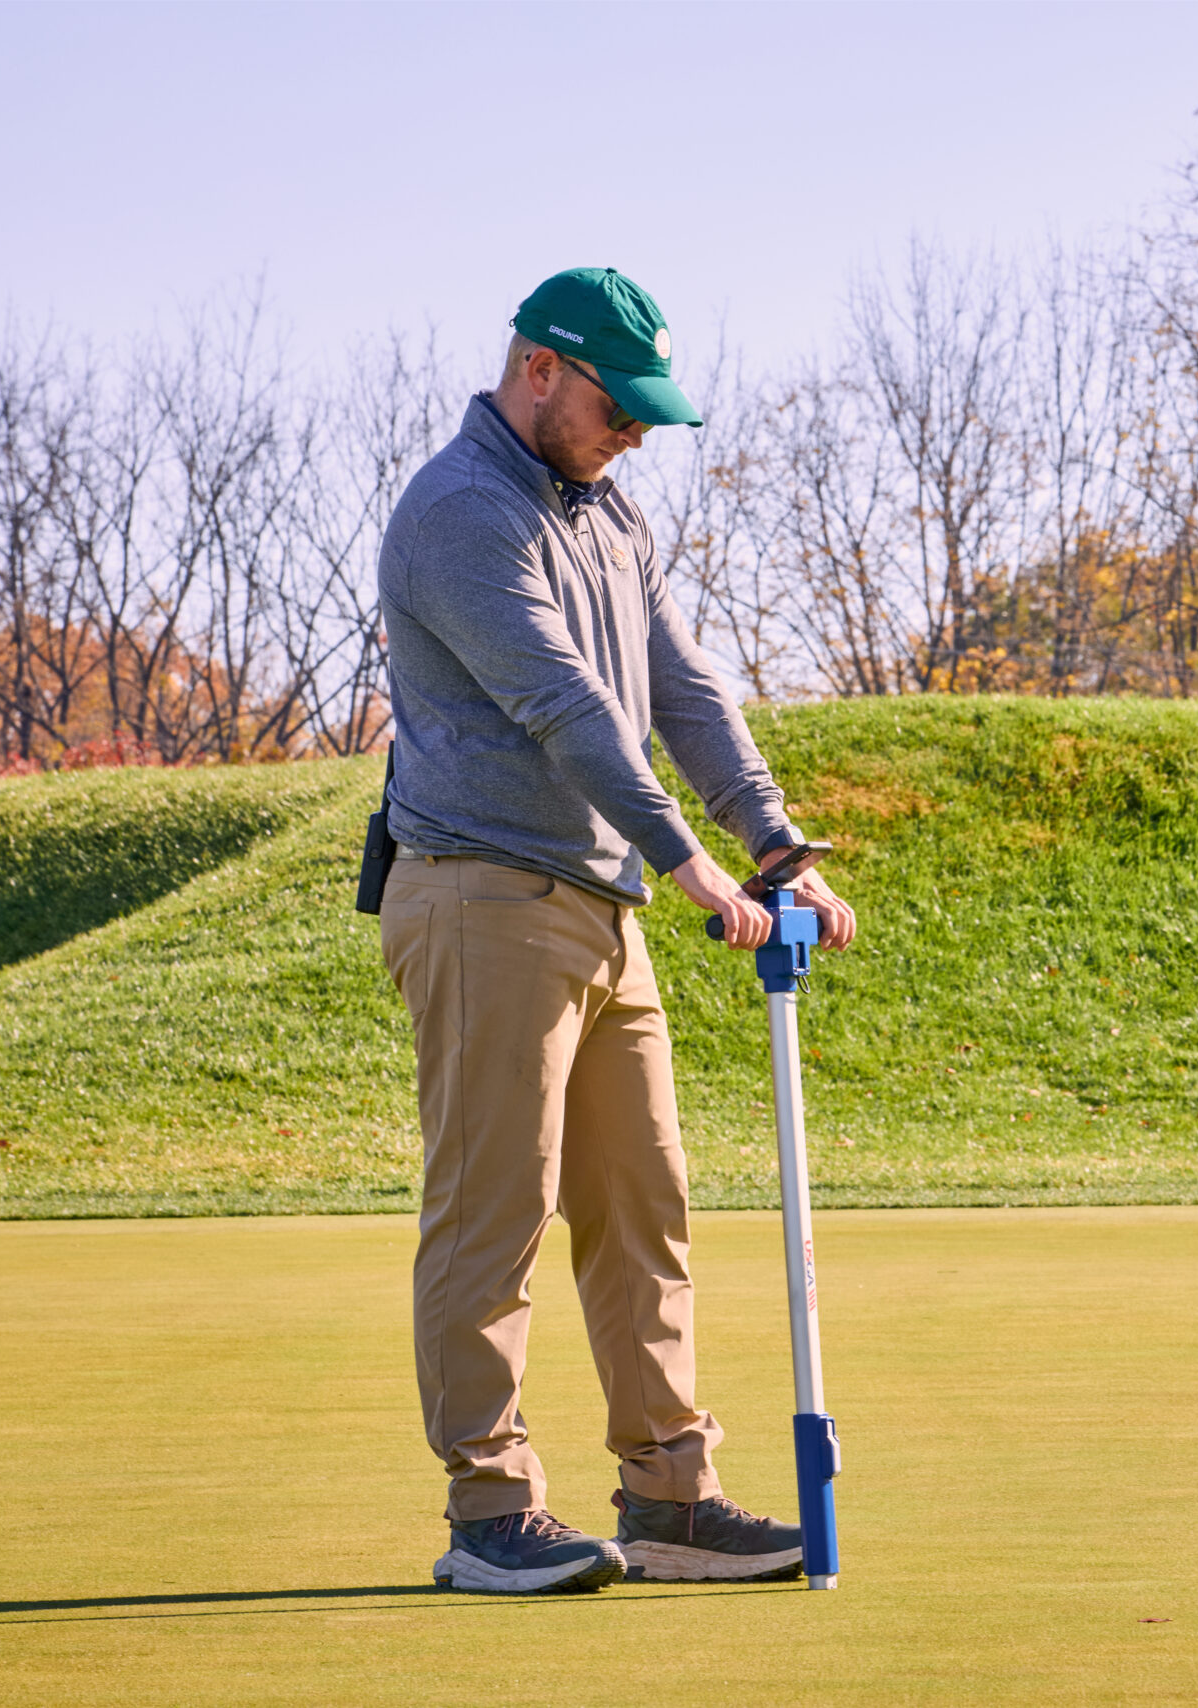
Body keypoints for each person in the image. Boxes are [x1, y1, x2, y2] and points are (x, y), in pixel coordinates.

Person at [374, 266, 858, 1595]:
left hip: (599, 908)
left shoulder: (609, 515)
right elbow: (569, 709)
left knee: (644, 1206)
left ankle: (671, 1498)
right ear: (538, 369)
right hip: (480, 891)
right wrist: (694, 867)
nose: (634, 431)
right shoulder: (460, 514)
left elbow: (682, 688)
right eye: (615, 404)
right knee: (497, 1209)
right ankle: (489, 1511)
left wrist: (775, 847)